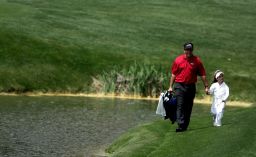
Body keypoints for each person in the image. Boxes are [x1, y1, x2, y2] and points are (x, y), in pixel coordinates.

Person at [168, 42, 209, 132]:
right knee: (180, 105)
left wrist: (206, 86)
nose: (188, 51)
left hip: (191, 86)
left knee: (188, 107)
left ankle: (184, 125)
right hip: (179, 85)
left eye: (190, 50)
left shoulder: (197, 61)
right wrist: (170, 86)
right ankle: (180, 125)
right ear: (184, 50)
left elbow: (202, 74)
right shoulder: (178, 60)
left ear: (192, 50)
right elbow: (173, 74)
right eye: (187, 50)